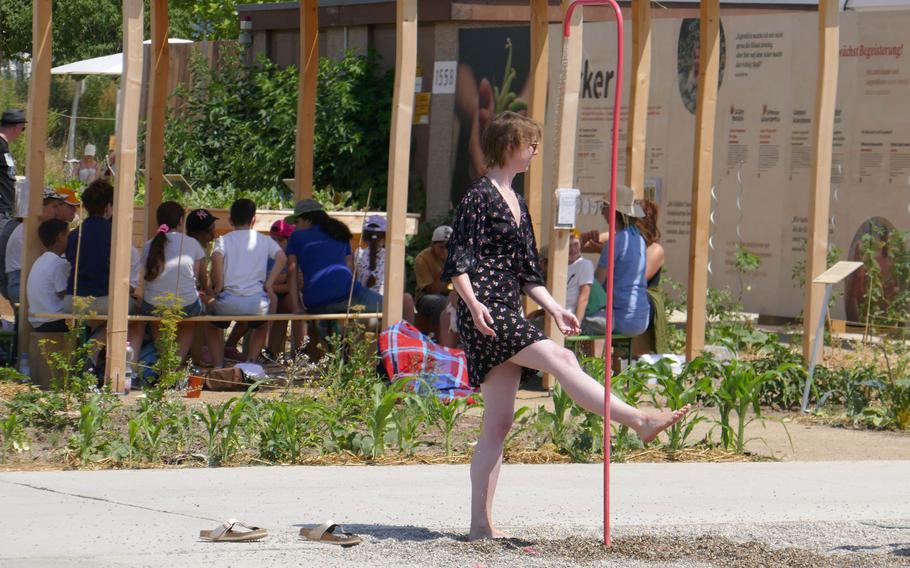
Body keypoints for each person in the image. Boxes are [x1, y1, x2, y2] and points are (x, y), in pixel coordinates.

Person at [441, 111, 689, 541]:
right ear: (508, 144)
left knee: (498, 423)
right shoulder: (478, 197)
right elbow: (457, 260)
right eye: (529, 142)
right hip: (486, 310)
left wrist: (555, 308)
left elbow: (527, 273)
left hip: (505, 306)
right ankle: (637, 420)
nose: (535, 149)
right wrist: (473, 303)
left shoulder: (516, 201)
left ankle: (480, 526)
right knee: (561, 356)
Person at [285, 198, 414, 323]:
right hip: (348, 296)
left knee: (320, 327)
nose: (295, 226)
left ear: (308, 219)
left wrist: (297, 307)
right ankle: (405, 342)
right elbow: (350, 269)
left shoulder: (296, 237)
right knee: (401, 306)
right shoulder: (339, 232)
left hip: (315, 303)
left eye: (296, 222)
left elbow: (292, 271)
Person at [206, 199, 286, 368]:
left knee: (212, 326)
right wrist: (269, 283)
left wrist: (219, 285)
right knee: (262, 325)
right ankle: (250, 362)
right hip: (256, 303)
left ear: (230, 221)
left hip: (227, 301)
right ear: (254, 220)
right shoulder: (264, 240)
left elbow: (216, 257)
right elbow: (282, 257)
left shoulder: (223, 240)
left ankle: (218, 365)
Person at [140, 201, 206, 362]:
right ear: (181, 221)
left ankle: (164, 363)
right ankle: (176, 364)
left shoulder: (149, 244)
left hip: (154, 303)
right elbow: (195, 278)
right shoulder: (193, 244)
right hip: (186, 303)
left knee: (156, 317)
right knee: (189, 322)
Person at [224, 219, 297, 359]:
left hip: (274, 294)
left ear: (290, 242)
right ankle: (231, 345)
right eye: (273, 239)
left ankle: (269, 350)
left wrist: (270, 285)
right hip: (260, 294)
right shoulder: (264, 255)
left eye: (280, 240)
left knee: (279, 306)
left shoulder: (291, 259)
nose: (275, 243)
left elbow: (290, 286)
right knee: (251, 313)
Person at [585, 186, 651, 337]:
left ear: (613, 211)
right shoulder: (639, 238)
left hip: (621, 319)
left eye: (604, 206)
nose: (601, 212)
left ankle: (589, 359)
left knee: (580, 318)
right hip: (642, 318)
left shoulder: (614, 242)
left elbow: (596, 283)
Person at [5, 187, 80, 303]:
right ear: (39, 208)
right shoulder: (32, 230)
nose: (57, 211)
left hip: (21, 281)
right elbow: (49, 261)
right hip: (20, 283)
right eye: (54, 207)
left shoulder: (32, 227)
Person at [414, 225, 458, 346]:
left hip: (452, 295)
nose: (445, 251)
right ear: (432, 245)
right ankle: (440, 343)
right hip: (426, 297)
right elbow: (431, 289)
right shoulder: (422, 258)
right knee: (443, 303)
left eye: (448, 247)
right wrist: (446, 267)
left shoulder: (458, 256)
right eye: (441, 247)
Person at [26, 219, 71, 332]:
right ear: (61, 236)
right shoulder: (58, 264)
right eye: (68, 235)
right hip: (52, 321)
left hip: (38, 320)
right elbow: (64, 294)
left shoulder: (41, 260)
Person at [0, 109, 27, 219]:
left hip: (5, 208)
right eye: (23, 129)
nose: (21, 133)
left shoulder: (3, 146)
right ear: (17, 127)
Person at [354, 215, 387, 294]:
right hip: (383, 302)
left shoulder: (358, 253)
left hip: (361, 300)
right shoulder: (390, 255)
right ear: (384, 237)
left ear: (364, 237)